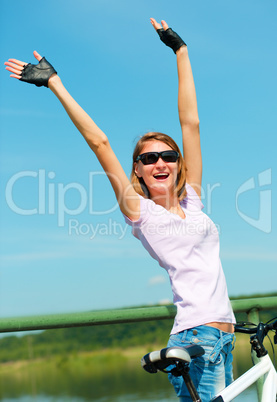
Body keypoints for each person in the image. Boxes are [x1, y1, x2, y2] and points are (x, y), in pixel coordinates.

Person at [5, 18, 236, 401]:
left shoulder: (192, 200)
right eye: (149, 159)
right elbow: (100, 142)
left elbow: (190, 124)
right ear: (138, 171)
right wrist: (55, 84)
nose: (160, 163)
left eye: (168, 155)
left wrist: (181, 51)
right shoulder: (140, 211)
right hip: (196, 337)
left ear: (178, 163)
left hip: (225, 333)